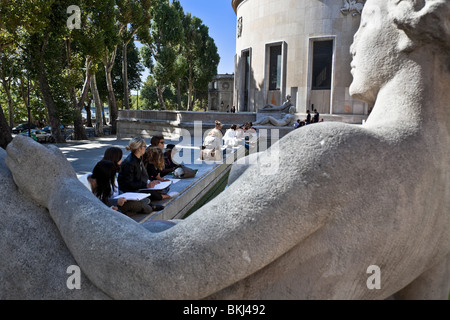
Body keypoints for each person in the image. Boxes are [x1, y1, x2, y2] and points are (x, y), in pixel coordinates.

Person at [4, 0, 450, 300]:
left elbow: (156, 273)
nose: (352, 41)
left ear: (409, 26)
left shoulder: (340, 151)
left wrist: (60, 186)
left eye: (365, 21)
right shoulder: (440, 173)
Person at [117, 137, 165, 210]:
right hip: (129, 191)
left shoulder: (138, 159)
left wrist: (150, 182)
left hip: (138, 187)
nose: (145, 148)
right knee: (153, 194)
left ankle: (149, 203)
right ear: (139, 148)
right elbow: (128, 184)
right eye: (144, 146)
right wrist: (146, 185)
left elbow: (141, 176)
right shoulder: (130, 162)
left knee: (157, 190)